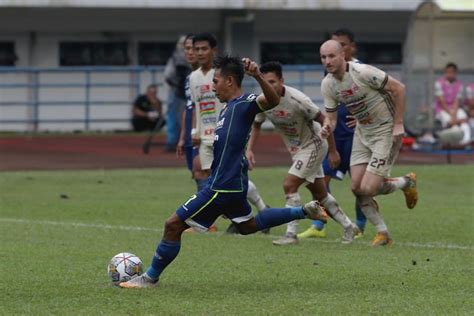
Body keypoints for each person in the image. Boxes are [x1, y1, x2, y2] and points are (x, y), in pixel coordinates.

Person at [119, 56, 329, 288]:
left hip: (222, 186)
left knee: (173, 225)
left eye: (216, 81)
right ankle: (303, 211)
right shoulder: (227, 109)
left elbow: (272, 99)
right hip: (231, 183)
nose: (212, 86)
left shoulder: (245, 102)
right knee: (247, 226)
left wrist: (257, 75)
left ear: (230, 81)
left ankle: (149, 278)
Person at [246, 61, 359, 245]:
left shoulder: (298, 100)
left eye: (273, 81)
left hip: (314, 144)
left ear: (282, 80)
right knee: (320, 194)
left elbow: (326, 121)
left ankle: (291, 235)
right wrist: (250, 149)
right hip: (298, 150)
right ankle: (349, 227)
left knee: (289, 185)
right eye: (266, 82)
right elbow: (257, 125)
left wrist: (332, 150)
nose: (270, 86)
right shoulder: (263, 101)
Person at [319, 40, 418, 247]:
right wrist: (327, 126)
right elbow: (332, 119)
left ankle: (406, 183)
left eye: (331, 56)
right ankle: (383, 233)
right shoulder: (328, 84)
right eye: (323, 57)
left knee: (369, 188)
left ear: (342, 55)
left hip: (386, 131)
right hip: (362, 133)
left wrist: (398, 123)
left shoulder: (362, 72)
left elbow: (399, 88)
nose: (327, 61)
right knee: (357, 187)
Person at [187, 33, 269, 233]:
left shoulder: (221, 75)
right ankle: (216, 219)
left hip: (223, 133)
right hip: (204, 134)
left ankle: (209, 220)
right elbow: (195, 105)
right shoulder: (193, 77)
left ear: (213, 50)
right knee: (207, 174)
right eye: (194, 48)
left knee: (220, 178)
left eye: (203, 48)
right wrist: (193, 130)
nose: (198, 52)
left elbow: (239, 104)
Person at [299, 28, 367, 239]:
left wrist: (364, 116)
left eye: (342, 45)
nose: (331, 56)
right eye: (326, 54)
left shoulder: (362, 70)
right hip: (336, 136)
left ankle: (360, 226)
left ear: (350, 48)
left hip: (358, 138)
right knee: (321, 182)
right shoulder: (329, 73)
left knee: (360, 187)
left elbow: (379, 97)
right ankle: (319, 226)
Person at [164, 36, 193, 151]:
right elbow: (168, 75)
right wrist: (177, 83)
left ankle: (187, 140)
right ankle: (172, 141)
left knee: (188, 115)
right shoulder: (175, 58)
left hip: (190, 91)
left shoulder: (194, 58)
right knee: (173, 115)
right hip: (176, 90)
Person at [434, 63, 470, 146]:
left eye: (452, 72)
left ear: (455, 73)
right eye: (448, 72)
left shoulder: (459, 84)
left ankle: (465, 142)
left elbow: (457, 101)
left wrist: (454, 113)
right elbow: (442, 101)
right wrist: (452, 115)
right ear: (445, 72)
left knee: (464, 120)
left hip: (455, 109)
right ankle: (451, 141)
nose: (450, 74)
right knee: (451, 123)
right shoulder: (438, 83)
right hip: (442, 109)